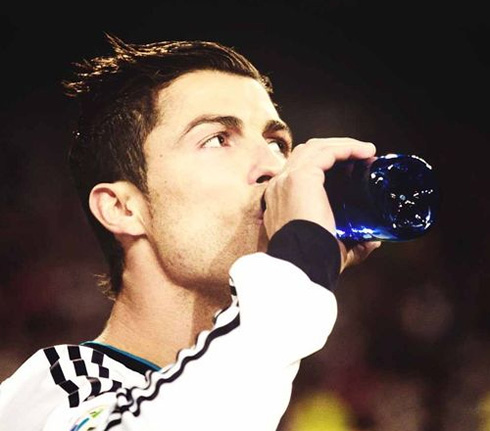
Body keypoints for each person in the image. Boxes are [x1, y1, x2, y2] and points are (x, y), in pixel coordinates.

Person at [0, 34, 381, 430]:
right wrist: (301, 261)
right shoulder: (53, 392)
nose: (273, 166)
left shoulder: (264, 400)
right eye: (217, 139)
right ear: (122, 208)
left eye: (276, 143)